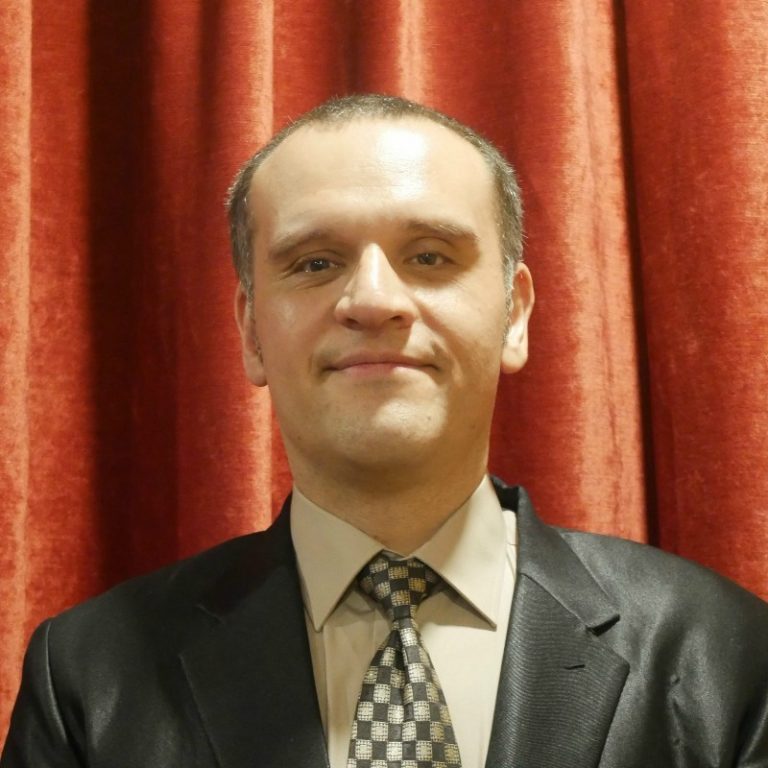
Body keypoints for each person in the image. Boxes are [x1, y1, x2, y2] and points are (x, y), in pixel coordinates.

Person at [2, 94, 767, 768]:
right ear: (251, 332)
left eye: (430, 256)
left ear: (515, 314)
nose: (372, 300)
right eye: (315, 263)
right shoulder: (85, 680)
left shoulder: (725, 652)